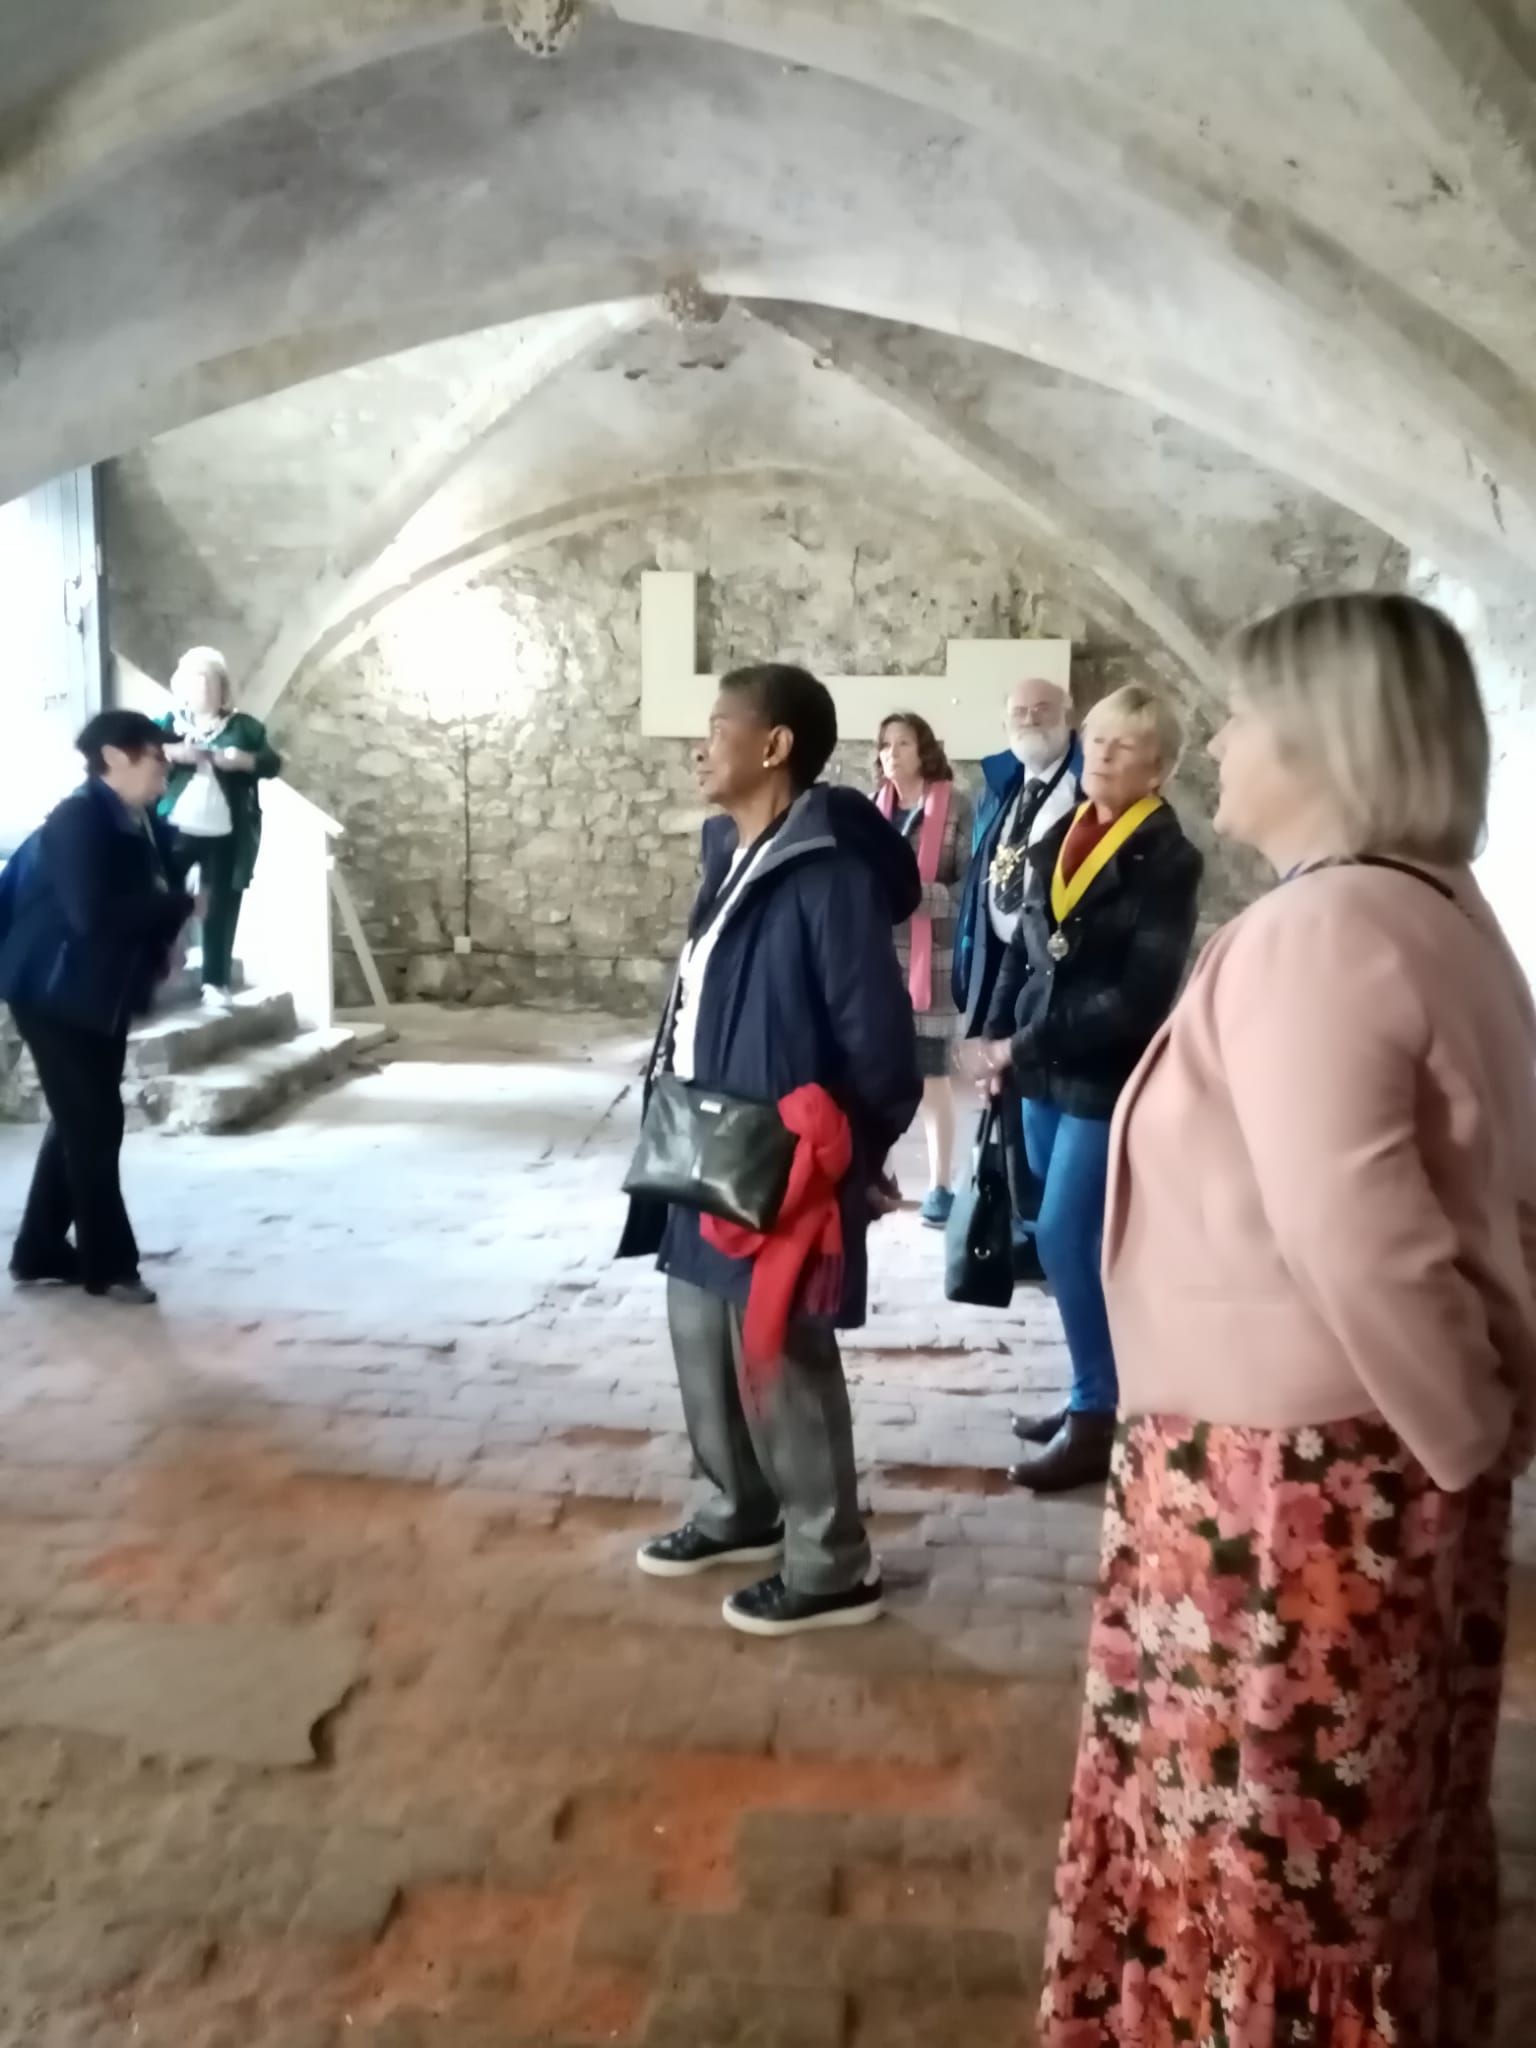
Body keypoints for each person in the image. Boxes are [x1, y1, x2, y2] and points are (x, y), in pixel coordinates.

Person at [1040, 593, 1536, 2048]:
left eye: (1245, 718)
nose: (1221, 749)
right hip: (1359, 1461)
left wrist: (1460, 1441)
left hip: (1288, 1487)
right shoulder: (1437, 906)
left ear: (1323, 740)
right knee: (1368, 1839)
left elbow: (1365, 1239)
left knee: (1275, 1850)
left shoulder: (1321, 929)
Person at [620, 663, 922, 1638]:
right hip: (702, 1140)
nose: (700, 746)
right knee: (700, 1332)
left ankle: (830, 1560)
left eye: (717, 726)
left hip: (779, 1161)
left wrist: (842, 1153)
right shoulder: (732, 849)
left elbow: (878, 1044)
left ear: (775, 744)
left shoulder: (830, 877)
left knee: (781, 1354)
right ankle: (735, 1506)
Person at [979, 683, 1201, 1491]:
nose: (1104, 755)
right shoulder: (1065, 828)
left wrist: (1018, 1041)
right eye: (1098, 740)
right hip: (1040, 1061)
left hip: (1106, 1070)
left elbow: (1141, 996)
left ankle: (1097, 1415)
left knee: (1073, 1238)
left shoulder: (1169, 857)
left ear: (1160, 768)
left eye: (1126, 746)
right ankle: (1091, 1392)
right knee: (1051, 1231)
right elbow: (1023, 945)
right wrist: (992, 1037)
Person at [0, 711, 194, 1305]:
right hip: (52, 993)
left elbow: (149, 894)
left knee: (81, 1119)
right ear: (115, 757)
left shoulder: (137, 821)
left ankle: (38, 1251)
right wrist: (179, 909)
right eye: (156, 756)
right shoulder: (78, 820)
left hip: (98, 994)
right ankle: (109, 1265)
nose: (166, 766)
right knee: (94, 1123)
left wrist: (170, 918)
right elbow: (93, 915)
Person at [953, 678, 1081, 1262]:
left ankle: (1052, 1229)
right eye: (1020, 712)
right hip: (1001, 966)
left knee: (1045, 1106)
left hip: (1055, 978)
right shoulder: (1005, 785)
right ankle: (1023, 1226)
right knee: (1004, 1103)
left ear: (1068, 717)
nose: (1030, 719)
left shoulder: (1082, 789)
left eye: (1043, 710)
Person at [873, 712, 973, 1227]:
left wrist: (916, 896)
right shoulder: (873, 811)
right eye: (885, 744)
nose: (892, 753)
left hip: (930, 961)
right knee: (876, 1074)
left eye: (903, 743)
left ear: (923, 750)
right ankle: (879, 1176)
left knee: (932, 1074)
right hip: (875, 961)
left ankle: (938, 1187)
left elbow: (968, 890)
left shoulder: (955, 806)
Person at [157, 647, 282, 1007]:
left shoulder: (244, 727)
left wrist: (244, 761)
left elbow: (272, 764)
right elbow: (142, 748)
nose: (204, 691)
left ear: (222, 688)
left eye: (211, 683)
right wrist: (173, 753)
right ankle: (154, 971)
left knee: (221, 905)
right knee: (162, 898)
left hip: (227, 833)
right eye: (196, 683)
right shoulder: (167, 724)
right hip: (176, 829)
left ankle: (216, 979)